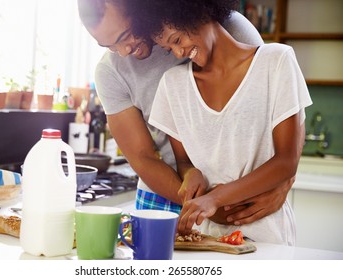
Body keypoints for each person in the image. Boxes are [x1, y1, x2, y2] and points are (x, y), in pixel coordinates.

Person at [77, 0, 295, 226]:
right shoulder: (110, 72)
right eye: (109, 46)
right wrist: (200, 202)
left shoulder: (229, 27)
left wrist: (283, 184)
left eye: (125, 36)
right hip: (164, 195)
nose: (123, 52)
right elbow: (143, 157)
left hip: (234, 194)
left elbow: (278, 103)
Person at [126, 0, 312, 245]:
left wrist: (215, 198)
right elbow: (183, 160)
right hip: (209, 238)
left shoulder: (276, 62)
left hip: (269, 235)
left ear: (199, 13)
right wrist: (190, 173)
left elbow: (287, 161)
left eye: (177, 40)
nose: (179, 53)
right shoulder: (174, 85)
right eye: (169, 49)